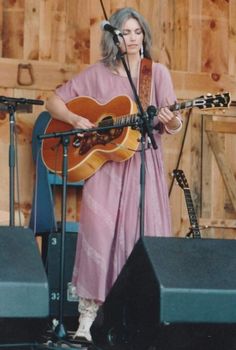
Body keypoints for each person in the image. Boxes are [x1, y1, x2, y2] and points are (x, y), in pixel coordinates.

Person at [46, 7, 182, 342]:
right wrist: (77, 120)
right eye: (125, 33)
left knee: (142, 236)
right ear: (114, 38)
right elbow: (53, 101)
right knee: (98, 237)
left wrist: (170, 119)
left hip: (142, 168)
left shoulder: (156, 73)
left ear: (144, 35)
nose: (133, 39)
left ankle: (139, 322)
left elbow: (174, 123)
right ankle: (86, 325)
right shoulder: (96, 74)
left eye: (137, 32)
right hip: (105, 168)